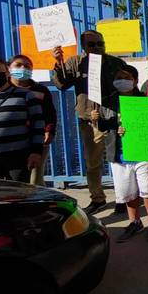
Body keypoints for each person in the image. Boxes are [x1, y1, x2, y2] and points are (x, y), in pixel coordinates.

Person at [52, 30, 127, 214]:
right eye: (91, 44)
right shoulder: (75, 62)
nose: (96, 48)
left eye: (100, 44)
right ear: (83, 46)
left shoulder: (115, 63)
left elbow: (126, 85)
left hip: (112, 118)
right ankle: (98, 197)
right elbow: (61, 84)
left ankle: (122, 197)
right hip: (88, 120)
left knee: (117, 160)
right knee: (93, 162)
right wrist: (58, 63)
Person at [92, 65, 148, 243]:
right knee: (128, 192)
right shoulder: (108, 101)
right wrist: (97, 120)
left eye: (127, 77)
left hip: (142, 153)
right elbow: (104, 126)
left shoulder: (145, 101)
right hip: (118, 153)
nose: (122, 80)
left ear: (135, 80)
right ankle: (134, 222)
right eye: (119, 77)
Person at [0, 55, 43, 181]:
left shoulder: (25, 95)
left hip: (16, 157)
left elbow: (38, 124)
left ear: (6, 70)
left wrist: (36, 152)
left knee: (17, 197)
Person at [8, 55, 57, 186]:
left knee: (36, 174)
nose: (23, 68)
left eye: (27, 66)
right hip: (11, 139)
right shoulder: (3, 89)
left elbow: (50, 113)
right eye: (18, 65)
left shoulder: (40, 90)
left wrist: (49, 131)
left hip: (36, 138)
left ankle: (37, 201)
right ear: (9, 68)